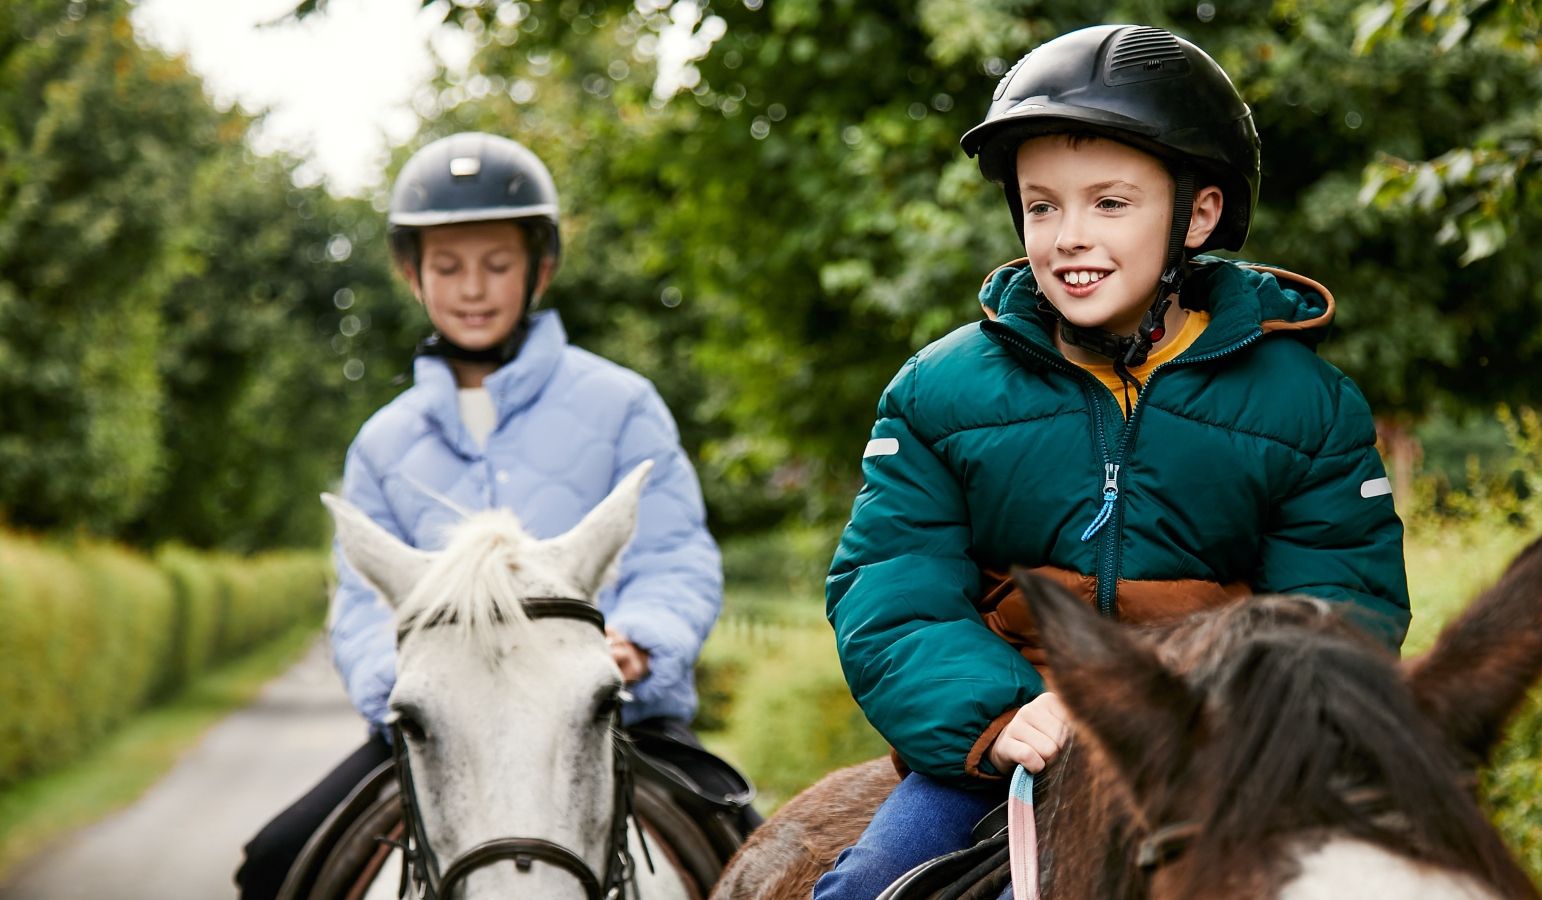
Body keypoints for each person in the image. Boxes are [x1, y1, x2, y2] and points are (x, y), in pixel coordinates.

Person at [814, 25, 1410, 900]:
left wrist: (1197, 718)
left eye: (1110, 204)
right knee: (863, 892)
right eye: (1043, 205)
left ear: (1198, 214)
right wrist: (1001, 714)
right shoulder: (935, 394)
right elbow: (891, 589)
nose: (1067, 237)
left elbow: (1339, 609)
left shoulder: (1309, 406)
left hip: (1225, 753)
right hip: (1014, 740)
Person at [235, 132, 726, 898]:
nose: (472, 288)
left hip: (611, 722)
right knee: (274, 863)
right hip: (440, 734)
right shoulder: (382, 443)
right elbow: (362, 606)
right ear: (411, 273)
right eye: (448, 267)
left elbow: (676, 554)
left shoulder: (623, 404)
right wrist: (405, 687)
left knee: (766, 858)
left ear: (541, 268)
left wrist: (645, 641)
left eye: (496, 265)